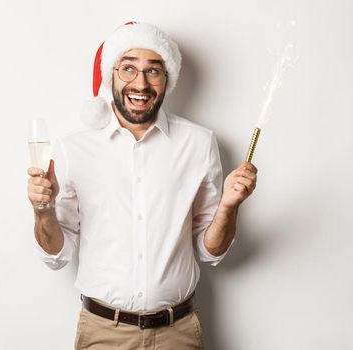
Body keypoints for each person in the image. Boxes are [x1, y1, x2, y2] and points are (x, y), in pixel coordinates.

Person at [26, 22, 256, 349]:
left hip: (178, 332)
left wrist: (229, 207)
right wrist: (42, 210)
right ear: (112, 76)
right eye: (128, 69)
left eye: (153, 71)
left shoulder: (199, 143)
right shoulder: (72, 148)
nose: (141, 83)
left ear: (167, 79)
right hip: (103, 332)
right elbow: (56, 254)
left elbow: (210, 250)